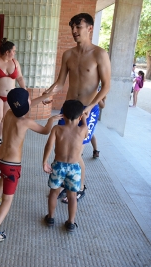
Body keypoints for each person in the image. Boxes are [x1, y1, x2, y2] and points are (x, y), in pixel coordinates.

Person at [42, 13, 111, 203]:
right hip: (69, 109)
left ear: (89, 28)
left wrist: (91, 106)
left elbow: (106, 85)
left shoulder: (100, 54)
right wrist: (48, 95)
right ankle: (68, 183)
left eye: (78, 27)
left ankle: (80, 187)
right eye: (72, 27)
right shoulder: (68, 54)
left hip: (88, 110)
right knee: (65, 146)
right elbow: (60, 81)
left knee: (77, 150)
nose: (74, 31)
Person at [0, 88, 61, 241]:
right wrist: (51, 120)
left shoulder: (8, 113)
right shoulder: (26, 122)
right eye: (28, 99)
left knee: (3, 176)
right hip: (11, 165)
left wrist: (44, 97)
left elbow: (24, 106)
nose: (30, 101)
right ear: (24, 105)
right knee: (8, 200)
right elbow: (46, 131)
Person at [43, 100, 88, 232]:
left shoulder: (57, 129)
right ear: (79, 116)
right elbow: (85, 125)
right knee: (72, 196)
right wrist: (84, 116)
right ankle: (71, 222)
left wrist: (44, 162)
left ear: (63, 115)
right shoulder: (82, 130)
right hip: (74, 167)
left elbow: (49, 145)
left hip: (58, 166)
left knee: (53, 192)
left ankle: (50, 218)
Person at [0, 38, 26, 152]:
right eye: (14, 50)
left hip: (10, 95)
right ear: (7, 52)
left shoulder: (15, 62)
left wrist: (25, 91)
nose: (15, 53)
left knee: (5, 119)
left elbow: (20, 78)